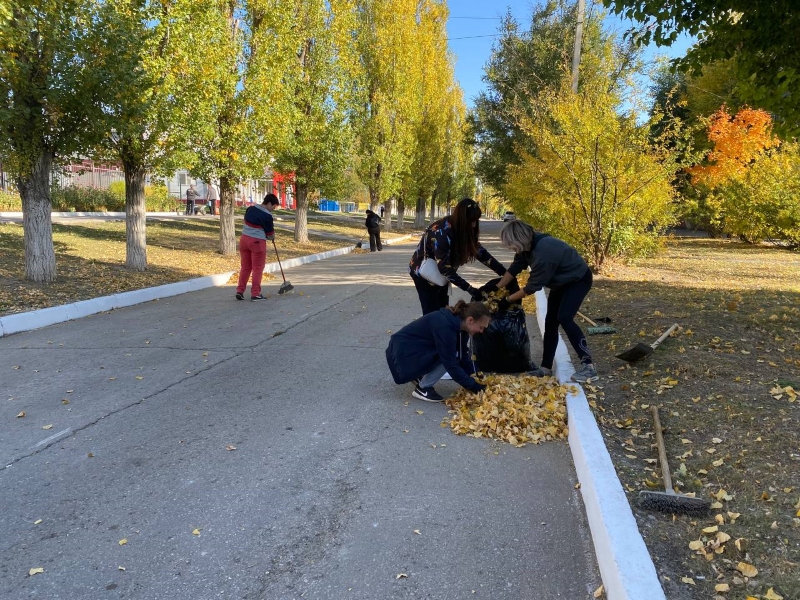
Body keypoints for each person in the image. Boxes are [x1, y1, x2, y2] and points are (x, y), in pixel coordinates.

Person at [494, 220, 597, 383]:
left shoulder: (543, 253)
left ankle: (588, 366)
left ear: (519, 239)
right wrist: (496, 289)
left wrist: (506, 300)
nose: (509, 248)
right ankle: (545, 368)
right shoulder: (527, 247)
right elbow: (514, 268)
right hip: (561, 282)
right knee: (550, 322)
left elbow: (531, 287)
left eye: (510, 245)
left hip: (578, 280)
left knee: (564, 317)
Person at [409, 197, 507, 315]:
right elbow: (444, 268)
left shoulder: (463, 229)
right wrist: (470, 289)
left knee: (444, 311)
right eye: (471, 221)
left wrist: (504, 273)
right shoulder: (442, 232)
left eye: (476, 220)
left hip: (440, 274)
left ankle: (441, 331)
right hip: (424, 273)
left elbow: (481, 253)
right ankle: (429, 332)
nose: (474, 225)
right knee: (432, 314)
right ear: (462, 219)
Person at [386, 300, 490, 402]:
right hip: (402, 355)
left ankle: (417, 375)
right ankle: (423, 388)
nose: (481, 331)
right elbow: (451, 364)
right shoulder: (446, 327)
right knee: (448, 357)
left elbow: (463, 354)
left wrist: (476, 375)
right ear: (470, 320)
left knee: (451, 354)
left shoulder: (460, 325)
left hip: (408, 350)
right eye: (481, 327)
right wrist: (475, 387)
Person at [235, 193, 279, 301]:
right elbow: (270, 234)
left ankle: (240, 291)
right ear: (269, 203)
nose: (272, 210)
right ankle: (255, 294)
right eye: (273, 207)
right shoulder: (267, 215)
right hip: (257, 242)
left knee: (245, 267)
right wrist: (272, 237)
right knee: (257, 269)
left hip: (244, 240)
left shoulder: (250, 209)